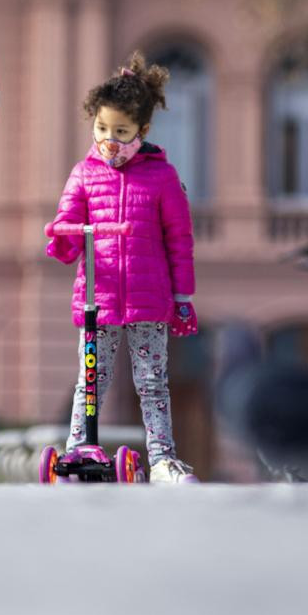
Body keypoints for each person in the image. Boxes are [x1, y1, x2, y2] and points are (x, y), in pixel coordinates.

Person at [46, 52, 199, 484]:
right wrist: (61, 235)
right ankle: (78, 448)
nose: (109, 140)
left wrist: (182, 299)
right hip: (100, 296)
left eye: (121, 131)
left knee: (152, 382)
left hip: (150, 300)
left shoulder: (163, 177)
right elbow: (67, 229)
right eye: (101, 129)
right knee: (91, 378)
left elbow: (179, 240)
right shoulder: (84, 174)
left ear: (142, 131)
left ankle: (164, 458)